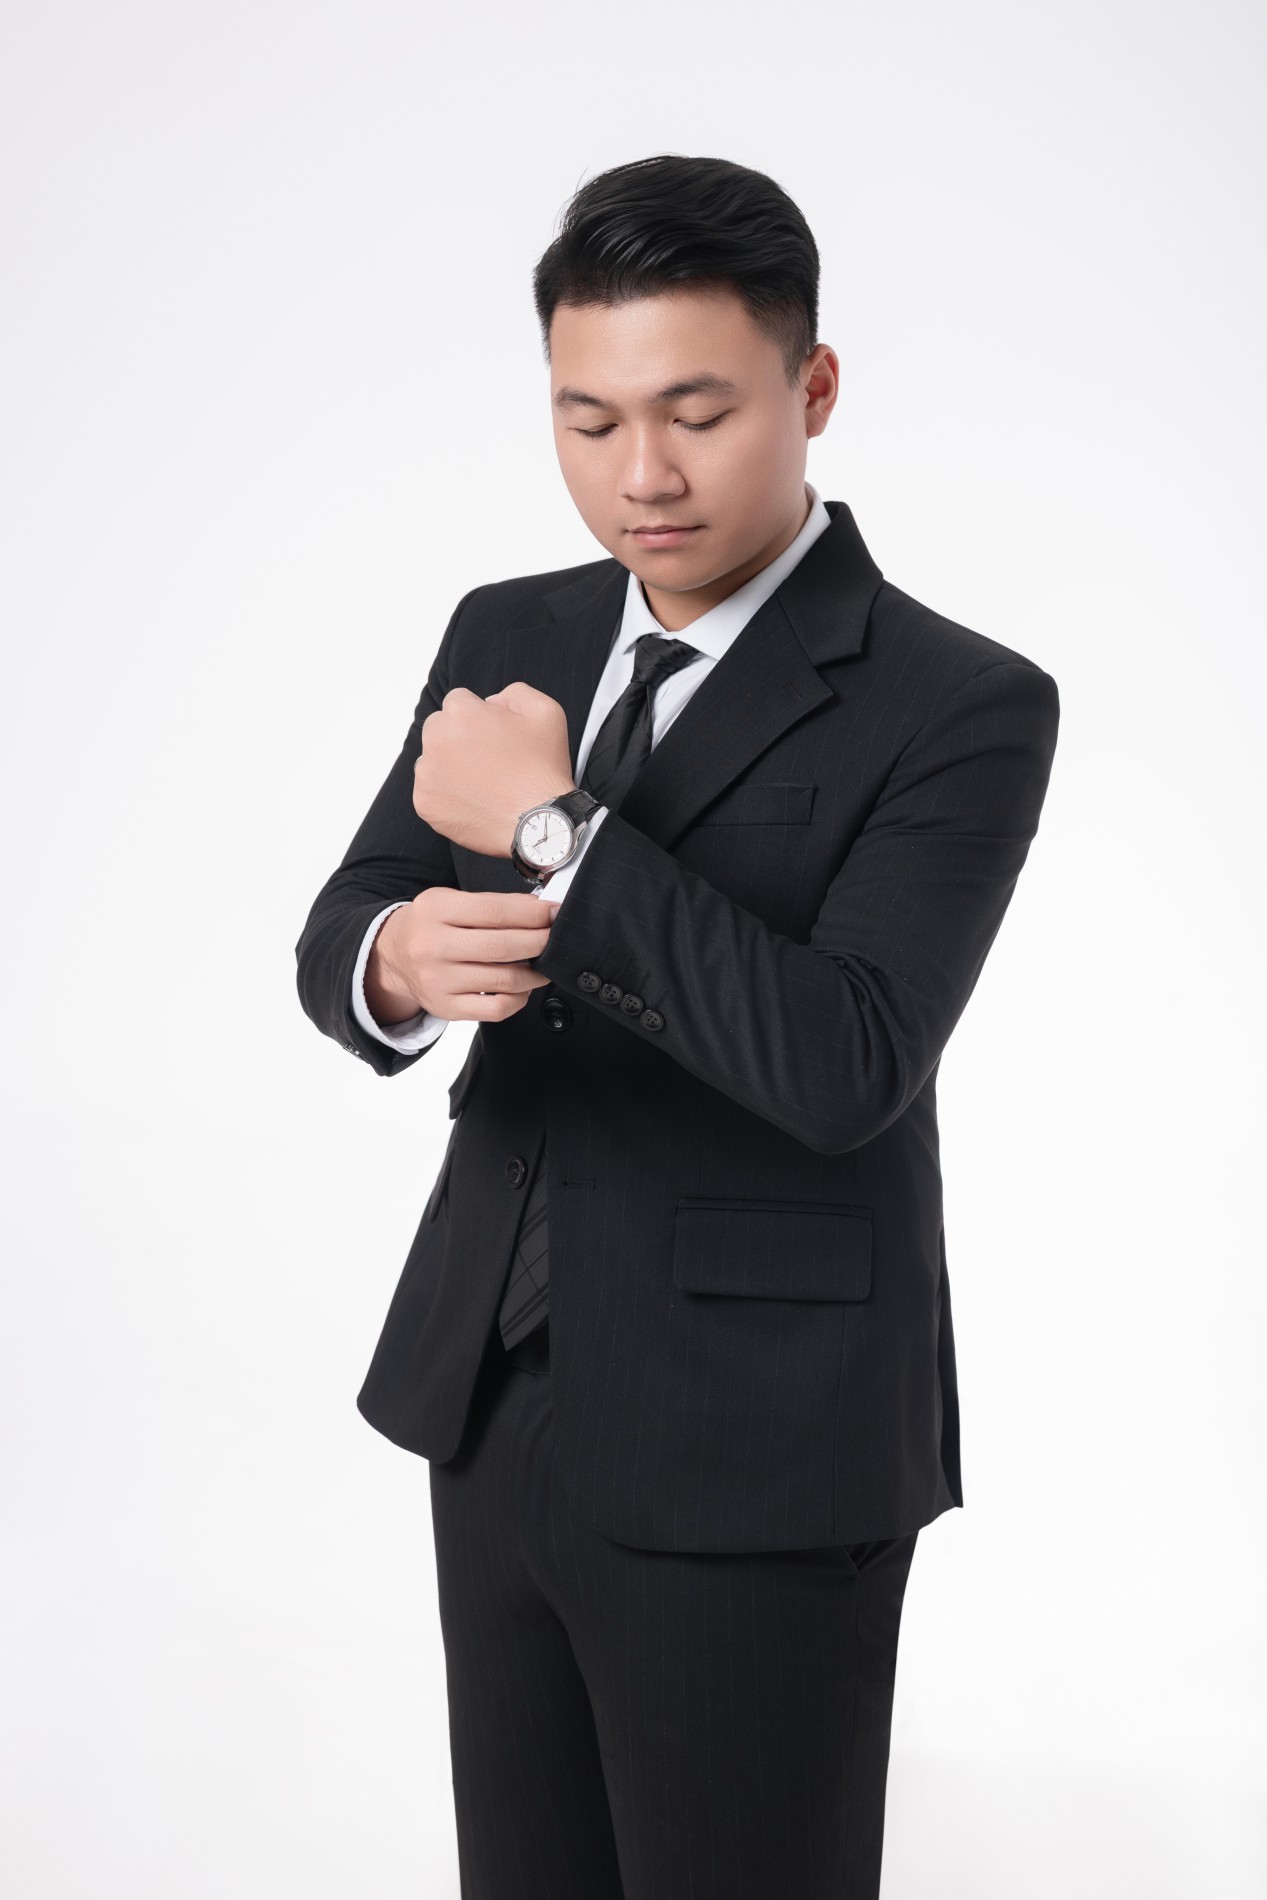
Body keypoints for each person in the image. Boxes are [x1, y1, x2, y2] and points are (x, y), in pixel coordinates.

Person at [294, 152, 1060, 1900]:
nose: (640, 475)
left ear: (814, 388)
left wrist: (558, 832)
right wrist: (399, 960)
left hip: (760, 1438)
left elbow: (847, 1059)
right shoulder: (513, 631)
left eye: (697, 415)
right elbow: (351, 917)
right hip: (491, 1394)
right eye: (588, 421)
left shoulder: (962, 701)